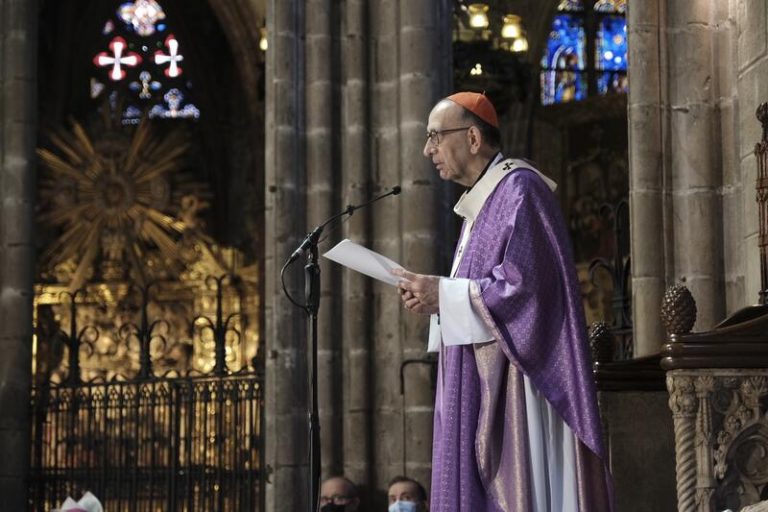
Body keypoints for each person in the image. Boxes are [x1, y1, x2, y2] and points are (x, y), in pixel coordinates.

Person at [393, 92, 613, 511]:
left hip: (518, 386)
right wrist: (436, 299)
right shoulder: (483, 205)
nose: (428, 150)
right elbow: (482, 287)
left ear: (473, 137)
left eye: (436, 136)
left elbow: (525, 287)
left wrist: (444, 294)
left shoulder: (520, 190)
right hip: (484, 374)